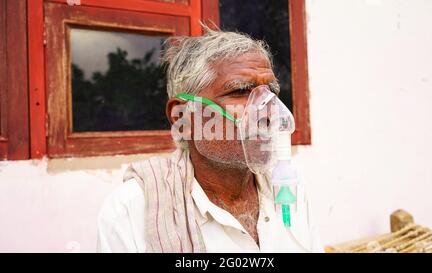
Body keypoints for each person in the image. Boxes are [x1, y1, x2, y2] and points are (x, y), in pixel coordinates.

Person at [97, 27, 322, 253]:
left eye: (270, 92)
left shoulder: (289, 190)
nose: (269, 112)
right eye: (241, 91)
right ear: (183, 117)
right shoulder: (132, 212)